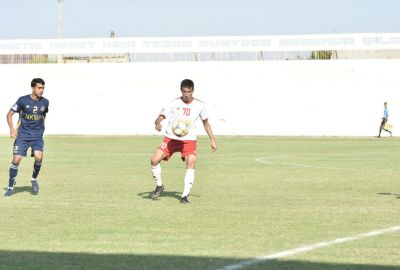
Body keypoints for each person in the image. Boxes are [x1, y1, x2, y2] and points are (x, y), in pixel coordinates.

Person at [150, 79, 217, 204]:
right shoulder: (173, 103)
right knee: (154, 160)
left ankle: (184, 196)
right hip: (171, 138)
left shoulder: (200, 105)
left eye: (189, 92)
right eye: (184, 91)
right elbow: (160, 116)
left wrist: (212, 140)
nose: (187, 94)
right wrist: (158, 123)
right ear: (181, 91)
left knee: (191, 162)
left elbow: (206, 123)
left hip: (189, 140)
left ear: (193, 91)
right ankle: (159, 185)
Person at [4, 78, 49, 196]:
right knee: (16, 159)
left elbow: (43, 115)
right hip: (22, 136)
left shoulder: (45, 102)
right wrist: (12, 129)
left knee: (39, 157)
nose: (42, 90)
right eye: (39, 88)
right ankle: (10, 186)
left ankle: (34, 179)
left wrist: (40, 129)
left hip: (37, 137)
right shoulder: (22, 100)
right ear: (33, 88)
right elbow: (9, 114)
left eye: (43, 88)